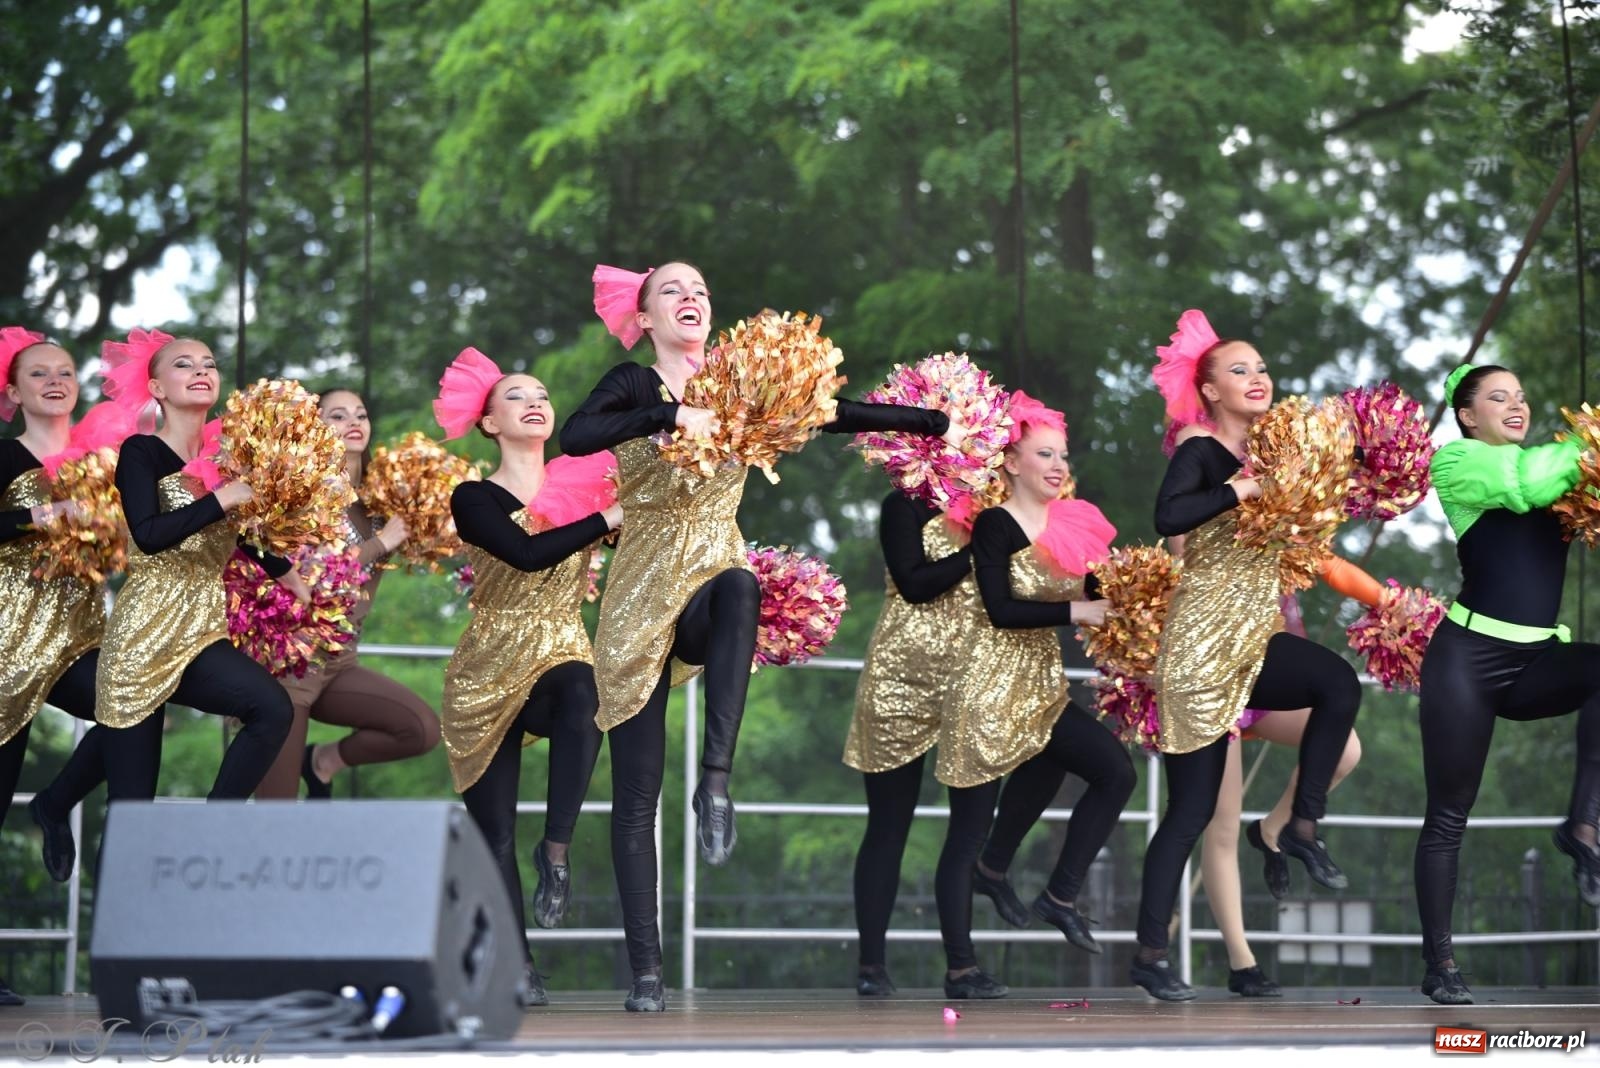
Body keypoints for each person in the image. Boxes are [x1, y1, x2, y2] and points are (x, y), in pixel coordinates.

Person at [562, 260, 959, 1011]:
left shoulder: (741, 387)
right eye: (673, 290)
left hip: (711, 575)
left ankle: (716, 781)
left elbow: (828, 412)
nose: (692, 298)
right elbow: (578, 437)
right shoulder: (634, 382)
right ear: (645, 318)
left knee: (744, 582)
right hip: (641, 593)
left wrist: (922, 422)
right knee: (636, 792)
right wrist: (671, 416)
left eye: (702, 290)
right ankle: (645, 973)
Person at [1133, 310, 1361, 1001]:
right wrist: (1247, 489)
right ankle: (1149, 955)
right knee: (1191, 814)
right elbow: (1167, 519)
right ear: (1209, 392)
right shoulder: (1201, 449)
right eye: (1239, 370)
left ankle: (1298, 827)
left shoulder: (1272, 460)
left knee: (1337, 684)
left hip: (1256, 644)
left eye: (1261, 368)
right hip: (1202, 651)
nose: (1256, 378)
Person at [437, 348, 620, 1008]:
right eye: (515, 396)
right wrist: (605, 522)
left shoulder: (592, 488)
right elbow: (521, 551)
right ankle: (518, 967)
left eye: (541, 393)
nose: (534, 401)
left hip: (558, 644)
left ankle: (559, 846)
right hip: (488, 666)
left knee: (583, 691)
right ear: (489, 423)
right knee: (492, 836)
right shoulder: (473, 496)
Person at [1414, 363, 1600, 1005]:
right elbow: (1524, 485)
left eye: (1521, 396)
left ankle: (1581, 825)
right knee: (1448, 816)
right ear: (1468, 415)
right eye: (1498, 398)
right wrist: (1591, 443)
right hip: (1466, 662)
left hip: (1533, 662)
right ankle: (1440, 966)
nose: (1515, 406)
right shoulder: (1459, 463)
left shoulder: (1564, 472)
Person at [252, 387, 441, 800]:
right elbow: (309, 577)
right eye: (337, 416)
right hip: (290, 669)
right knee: (275, 812)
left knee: (421, 729)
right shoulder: (305, 497)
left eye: (360, 414)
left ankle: (322, 761)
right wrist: (380, 544)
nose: (353, 422)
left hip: (340, 662)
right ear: (314, 429)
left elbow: (433, 538)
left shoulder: (380, 500)